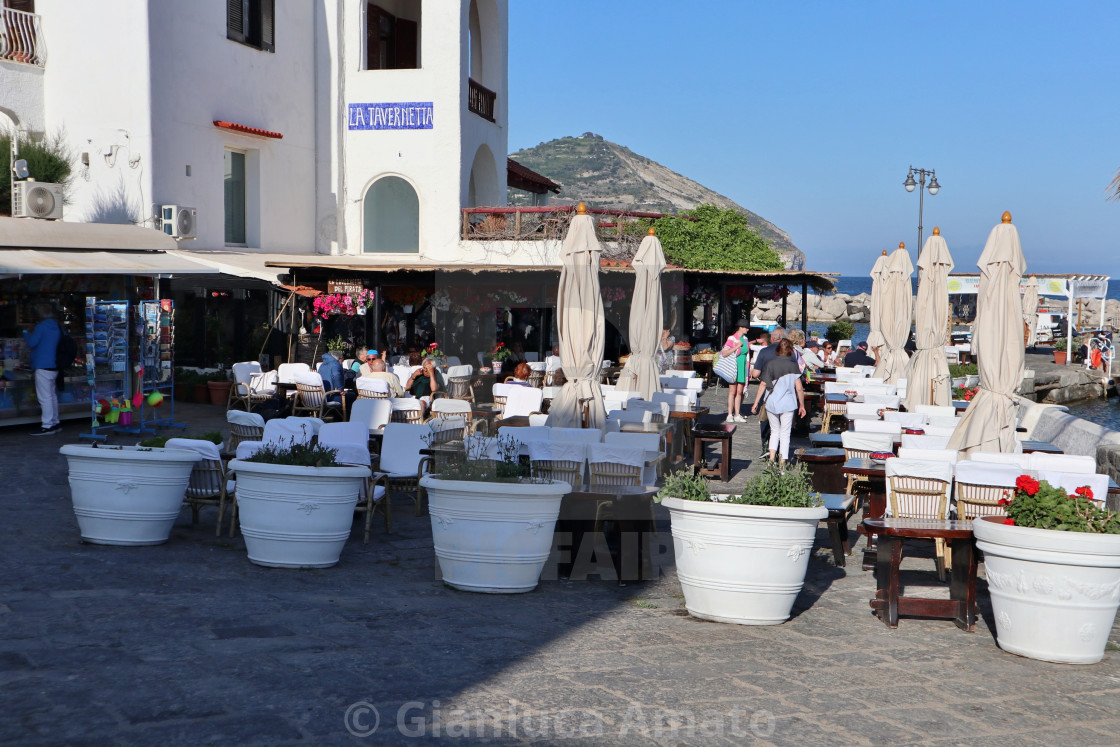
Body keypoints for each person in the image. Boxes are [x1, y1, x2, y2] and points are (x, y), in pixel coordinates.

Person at [751, 339, 806, 464]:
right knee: (785, 433)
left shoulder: (770, 364)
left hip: (772, 402)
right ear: (791, 350)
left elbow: (763, 384)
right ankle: (782, 462)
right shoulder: (793, 366)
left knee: (774, 431)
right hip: (788, 403)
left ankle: (771, 458)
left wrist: (756, 403)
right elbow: (799, 388)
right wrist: (802, 405)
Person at [24, 304, 62, 436]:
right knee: (52, 396)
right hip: (54, 365)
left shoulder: (40, 327)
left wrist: (26, 332)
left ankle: (47, 425)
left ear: (40, 314)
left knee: (45, 397)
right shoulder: (56, 326)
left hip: (42, 365)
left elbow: (32, 343)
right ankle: (55, 422)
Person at [750, 326, 787, 455]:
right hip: (786, 391)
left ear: (772, 338)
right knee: (783, 422)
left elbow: (755, 374)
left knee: (765, 419)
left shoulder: (764, 352)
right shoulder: (790, 352)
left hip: (768, 389)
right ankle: (781, 451)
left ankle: (766, 448)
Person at [720, 319, 751, 423]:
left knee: (739, 391)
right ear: (740, 327)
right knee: (732, 391)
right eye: (746, 327)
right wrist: (737, 346)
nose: (747, 329)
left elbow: (747, 355)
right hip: (733, 366)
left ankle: (737, 414)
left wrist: (748, 369)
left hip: (743, 366)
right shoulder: (732, 338)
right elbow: (724, 353)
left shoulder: (745, 339)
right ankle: (729, 414)